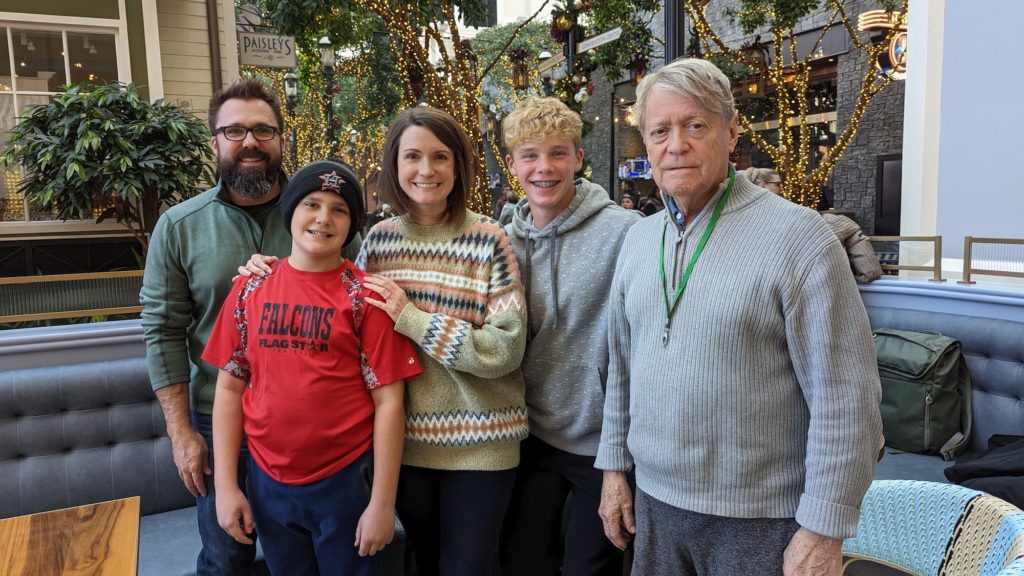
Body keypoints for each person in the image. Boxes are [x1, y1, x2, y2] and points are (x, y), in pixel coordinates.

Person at [595, 58, 883, 576]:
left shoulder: (800, 239)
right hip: (655, 507)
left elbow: (847, 397)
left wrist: (824, 528)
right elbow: (622, 368)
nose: (675, 144)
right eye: (659, 131)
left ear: (730, 133)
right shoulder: (637, 240)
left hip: (763, 520)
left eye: (695, 126)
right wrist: (615, 469)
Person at [244, 107, 528, 575]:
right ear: (395, 167)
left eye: (440, 157)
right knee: (418, 564)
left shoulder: (489, 240)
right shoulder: (378, 240)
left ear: (458, 166)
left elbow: (505, 349)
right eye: (412, 156)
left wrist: (413, 319)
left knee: (468, 567)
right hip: (403, 449)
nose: (426, 170)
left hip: (481, 446)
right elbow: (326, 276)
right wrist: (267, 269)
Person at [139, 78, 360, 573]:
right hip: (219, 420)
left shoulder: (324, 218)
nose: (250, 143)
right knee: (226, 557)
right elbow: (162, 330)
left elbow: (357, 308)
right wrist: (181, 434)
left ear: (282, 139)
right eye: (234, 131)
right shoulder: (179, 226)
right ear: (214, 141)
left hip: (313, 428)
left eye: (263, 130)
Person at [203, 160, 422, 574]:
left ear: (353, 224)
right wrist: (227, 486)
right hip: (269, 483)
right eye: (312, 204)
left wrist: (381, 504)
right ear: (291, 211)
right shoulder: (251, 287)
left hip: (346, 482)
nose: (324, 218)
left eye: (340, 210)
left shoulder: (363, 298)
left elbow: (390, 404)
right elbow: (229, 389)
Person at [499, 97, 641, 576]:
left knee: (587, 569)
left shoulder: (626, 232)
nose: (544, 167)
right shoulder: (503, 240)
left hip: (600, 442)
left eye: (558, 153)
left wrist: (618, 459)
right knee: (523, 561)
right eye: (530, 154)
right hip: (528, 436)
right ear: (512, 164)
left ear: (579, 159)